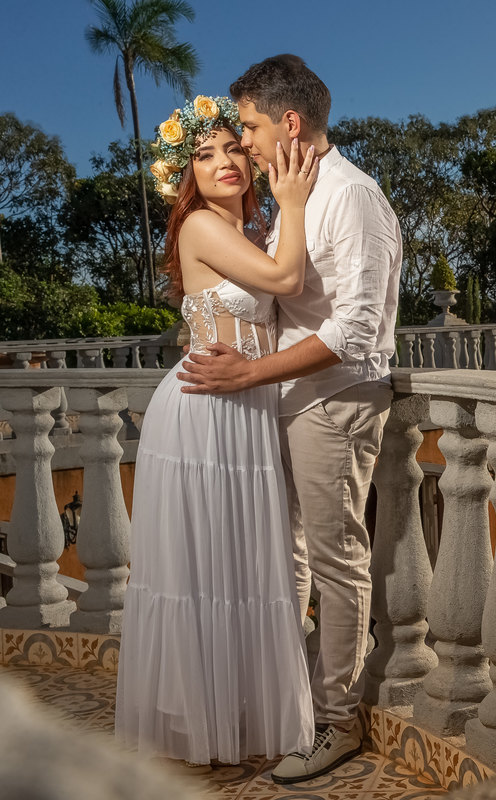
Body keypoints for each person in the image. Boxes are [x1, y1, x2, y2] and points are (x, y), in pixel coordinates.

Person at [177, 55, 404, 785]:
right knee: (294, 558)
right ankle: (299, 704)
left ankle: (337, 722)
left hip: (334, 400)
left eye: (248, 127)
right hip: (287, 399)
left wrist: (247, 373)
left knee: (337, 561)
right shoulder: (295, 196)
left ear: (291, 124)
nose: (242, 142)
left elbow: (356, 332)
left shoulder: (353, 198)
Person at [115, 95, 320, 769]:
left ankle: (235, 710)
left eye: (234, 148)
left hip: (244, 404)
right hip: (205, 409)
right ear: (187, 179)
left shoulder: (250, 231)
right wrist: (293, 200)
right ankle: (205, 720)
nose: (225, 162)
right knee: (208, 565)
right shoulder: (202, 226)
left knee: (241, 562)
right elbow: (286, 278)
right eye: (204, 155)